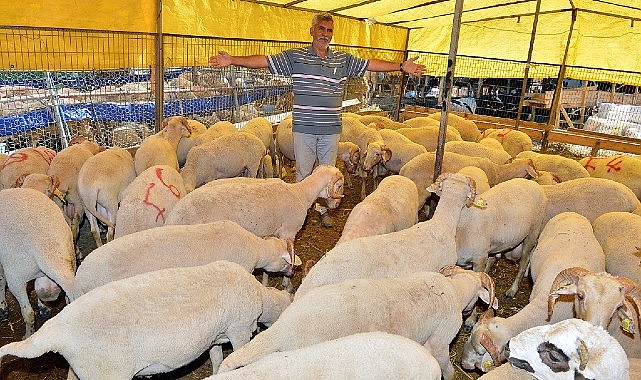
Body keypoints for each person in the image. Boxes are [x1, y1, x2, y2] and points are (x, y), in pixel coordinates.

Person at [210, 12, 425, 228]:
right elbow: (265, 61)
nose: (325, 34)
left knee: (327, 170)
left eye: (329, 30)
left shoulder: (343, 60)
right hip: (304, 127)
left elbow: (370, 65)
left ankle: (322, 209)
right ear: (312, 31)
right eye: (321, 29)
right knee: (303, 172)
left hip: (330, 129)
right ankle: (299, 213)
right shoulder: (296, 57)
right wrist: (232, 60)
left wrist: (400, 66)